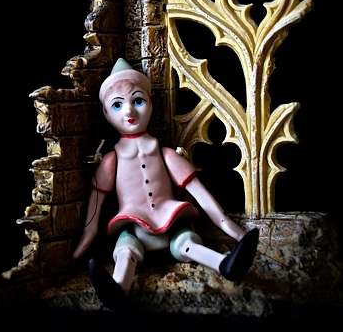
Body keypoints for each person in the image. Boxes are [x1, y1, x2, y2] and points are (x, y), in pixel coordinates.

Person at [72, 58, 259, 310]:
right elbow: (96, 204)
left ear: (150, 102)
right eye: (117, 105)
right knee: (126, 250)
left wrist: (233, 230)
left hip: (172, 222)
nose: (129, 112)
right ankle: (119, 287)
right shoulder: (111, 160)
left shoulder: (166, 154)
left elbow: (201, 195)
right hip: (135, 228)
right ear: (106, 112)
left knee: (188, 244)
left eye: (138, 101)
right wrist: (86, 239)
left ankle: (224, 264)